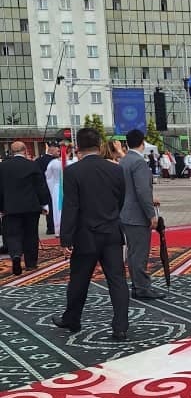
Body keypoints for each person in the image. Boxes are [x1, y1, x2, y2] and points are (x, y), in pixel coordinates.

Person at [52, 127, 130, 341]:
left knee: (79, 279)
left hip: (85, 234)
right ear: (100, 145)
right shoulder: (115, 169)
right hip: (112, 232)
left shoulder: (73, 172)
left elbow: (71, 207)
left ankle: (72, 319)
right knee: (117, 280)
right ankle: (120, 327)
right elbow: (120, 200)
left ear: (79, 147)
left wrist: (66, 238)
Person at [120, 128, 163, 301]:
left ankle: (137, 285)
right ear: (143, 143)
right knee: (140, 253)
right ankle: (142, 287)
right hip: (137, 215)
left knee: (132, 252)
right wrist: (151, 214)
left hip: (125, 213)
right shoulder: (139, 163)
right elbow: (142, 191)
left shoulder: (124, 160)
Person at [0, 141, 49, 275]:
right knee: (31, 234)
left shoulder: (3, 167)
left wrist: (1, 206)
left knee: (12, 234)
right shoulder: (32, 165)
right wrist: (44, 203)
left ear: (11, 151)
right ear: (25, 150)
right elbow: (40, 186)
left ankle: (16, 255)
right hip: (31, 206)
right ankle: (31, 263)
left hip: (10, 207)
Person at [36, 141, 60, 235]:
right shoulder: (55, 161)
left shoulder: (39, 160)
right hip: (54, 186)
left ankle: (51, 227)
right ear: (51, 148)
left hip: (44, 187)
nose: (58, 151)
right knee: (55, 207)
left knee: (49, 207)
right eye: (57, 149)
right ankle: (56, 226)